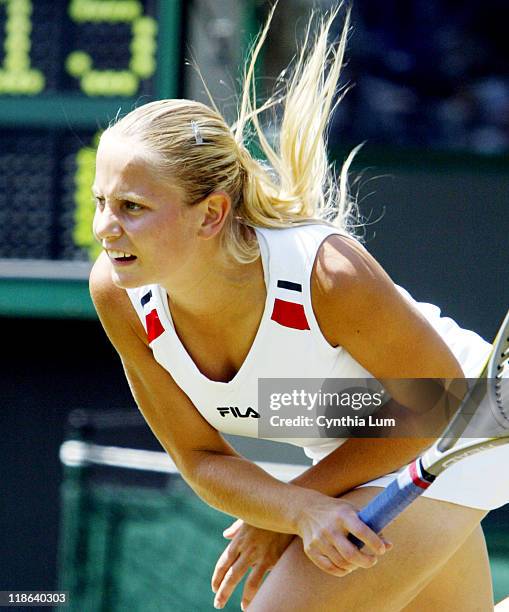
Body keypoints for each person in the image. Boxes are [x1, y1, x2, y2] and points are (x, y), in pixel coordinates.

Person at [89, 5, 507, 610]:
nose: (106, 227)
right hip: (360, 444)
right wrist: (292, 508)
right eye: (102, 200)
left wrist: (293, 509)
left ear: (210, 214)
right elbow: (200, 459)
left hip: (459, 425)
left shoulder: (327, 275)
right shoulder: (119, 295)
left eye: (131, 206)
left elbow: (434, 404)